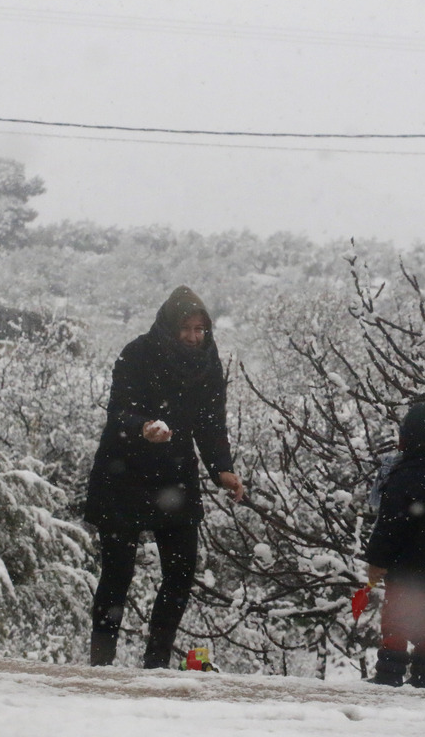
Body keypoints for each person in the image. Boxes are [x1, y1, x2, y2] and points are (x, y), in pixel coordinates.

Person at [84, 285, 245, 668]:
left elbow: (211, 422)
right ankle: (101, 664)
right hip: (123, 472)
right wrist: (144, 428)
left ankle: (156, 664)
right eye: (187, 328)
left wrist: (222, 468)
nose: (194, 337)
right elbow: (120, 411)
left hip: (175, 474)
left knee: (180, 572)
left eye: (200, 329)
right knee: (117, 574)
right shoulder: (137, 353)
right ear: (170, 326)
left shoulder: (207, 362)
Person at [363, 400, 425, 688]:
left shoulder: (404, 477)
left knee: (395, 620)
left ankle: (389, 672)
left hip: (404, 566)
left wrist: (377, 560)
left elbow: (390, 524)